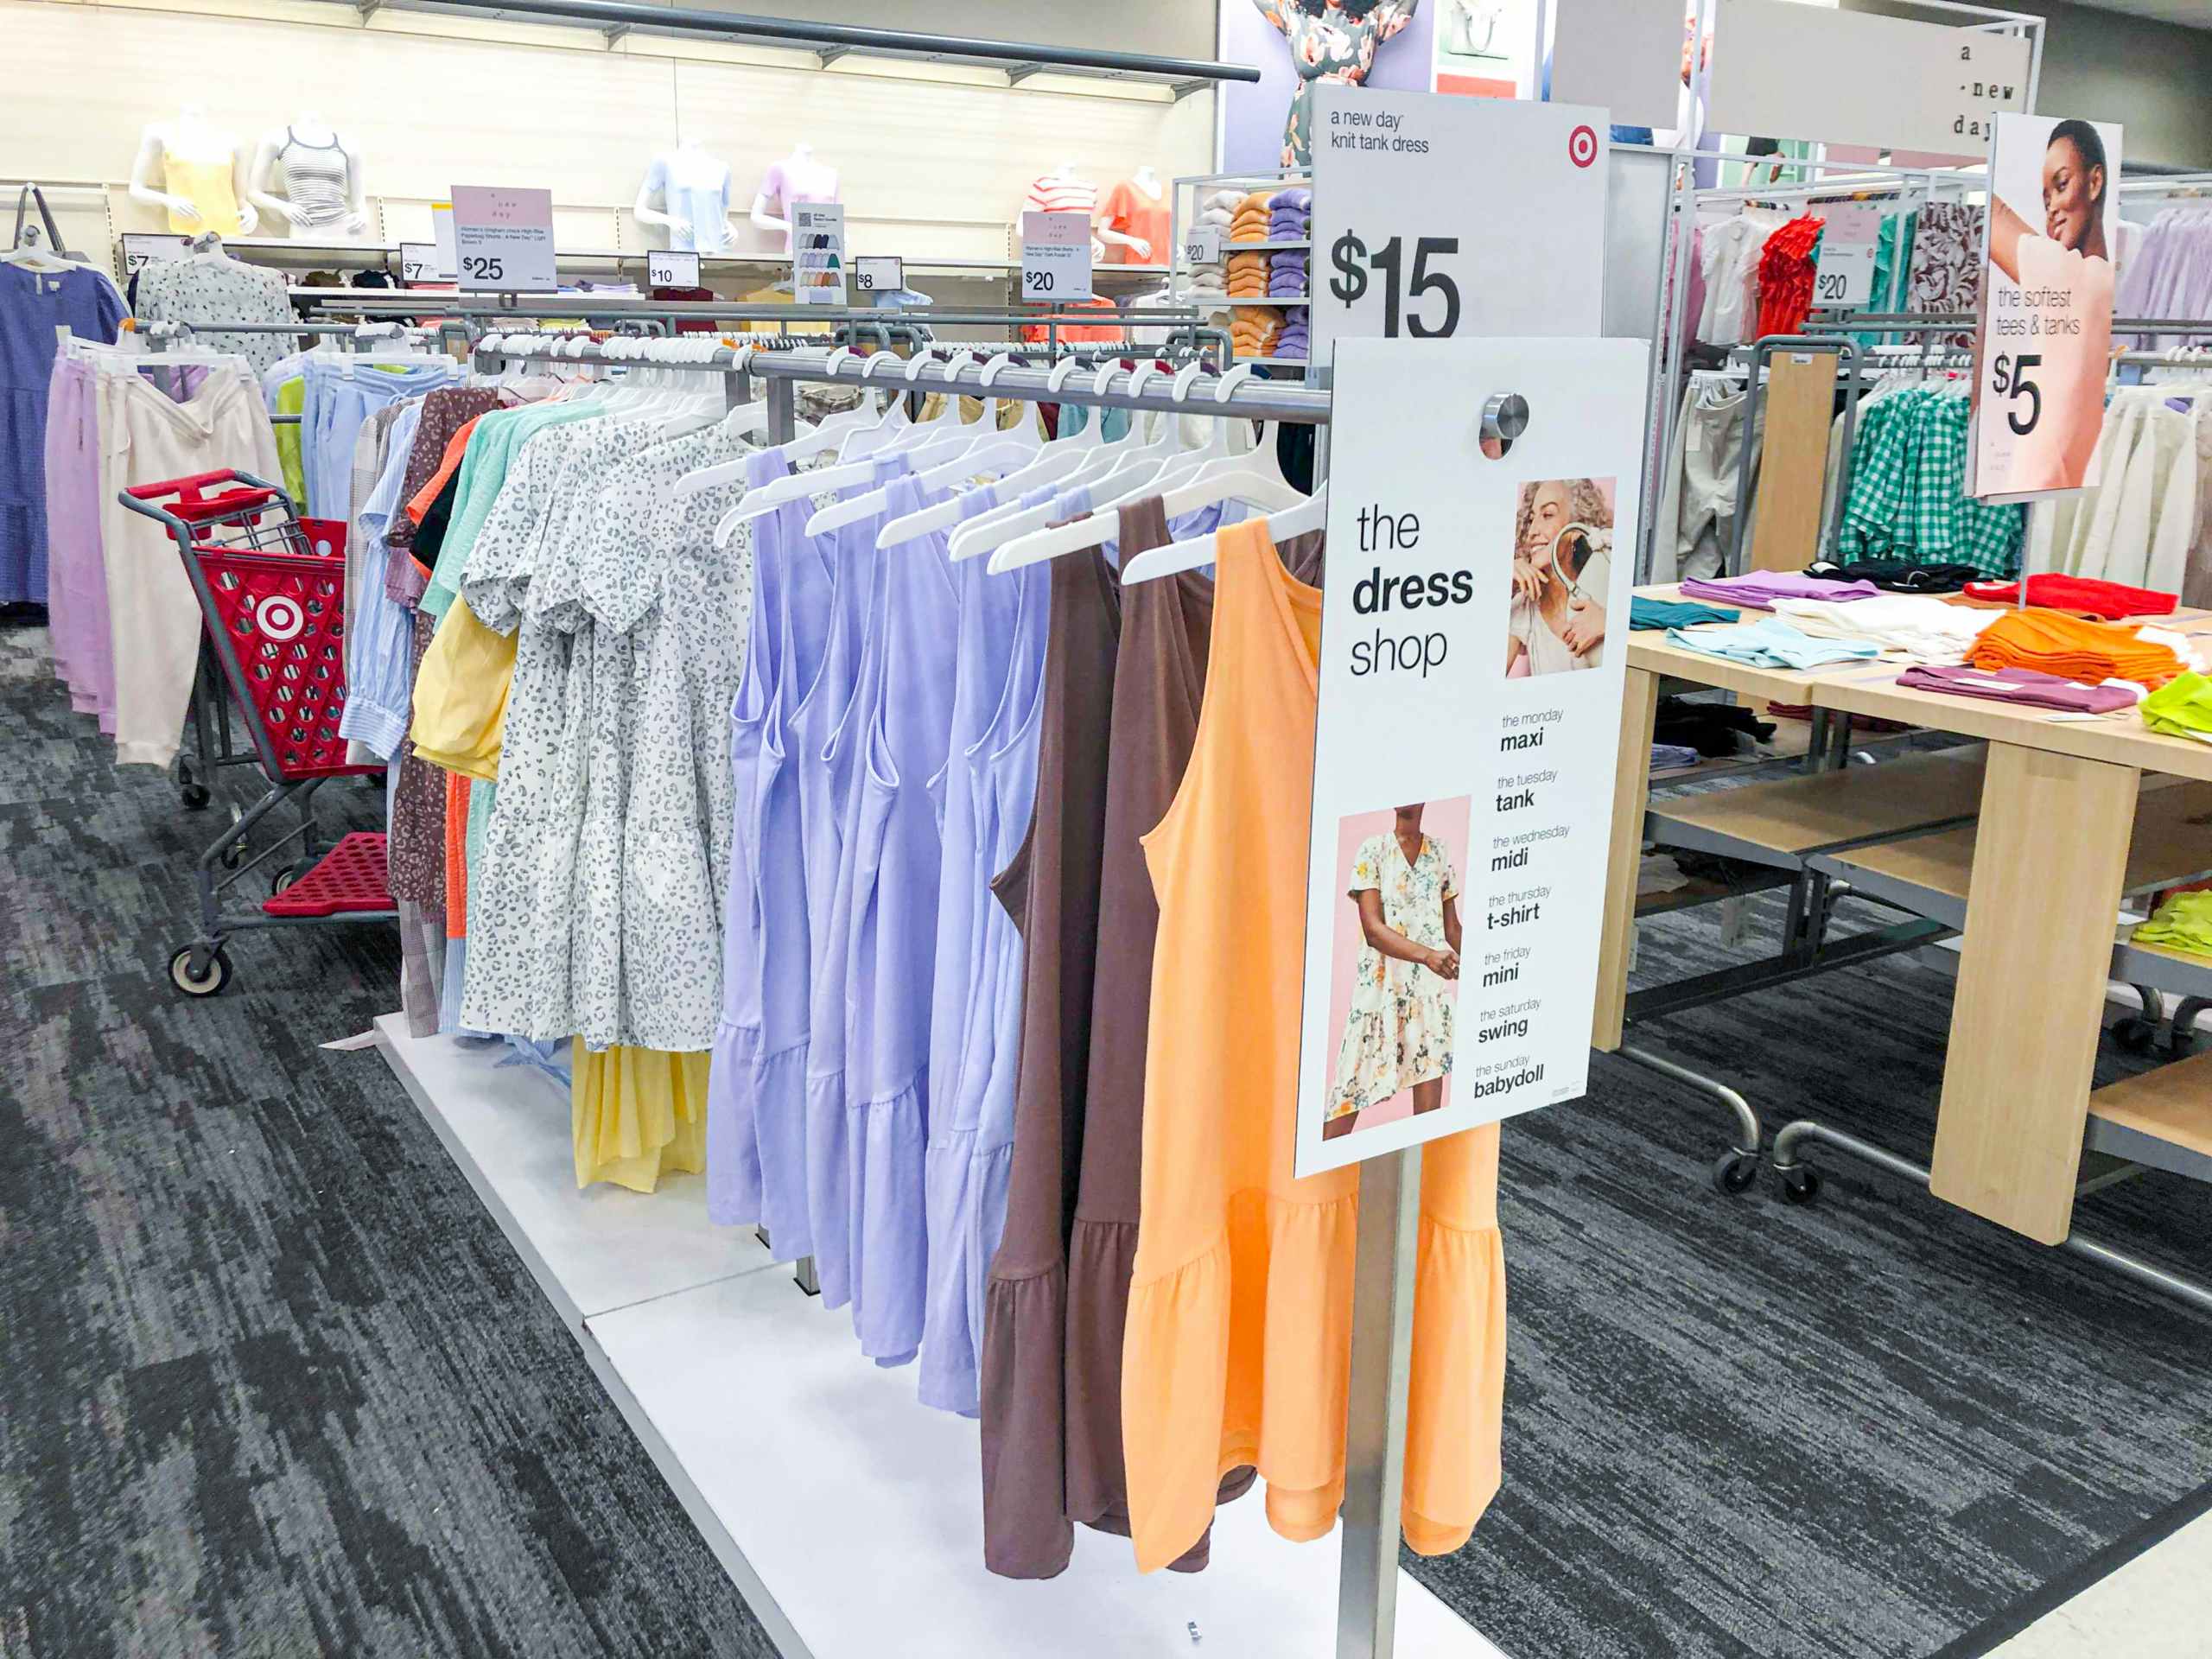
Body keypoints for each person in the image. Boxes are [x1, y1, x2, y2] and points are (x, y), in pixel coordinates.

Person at [1983, 119, 2114, 492]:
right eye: (2046, 199)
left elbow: (1994, 217)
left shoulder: (2071, 275)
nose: (2053, 208)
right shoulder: (2102, 280)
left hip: (2036, 493)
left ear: (2094, 181)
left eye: (2061, 185)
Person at [1325, 805, 1460, 1140]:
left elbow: (1452, 929)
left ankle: (1421, 1184)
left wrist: (1496, 968)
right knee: (1345, 1100)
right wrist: (1429, 956)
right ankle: (1314, 1185)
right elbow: (1373, 930)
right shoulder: (1373, 850)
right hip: (1380, 992)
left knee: (1426, 1125)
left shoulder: (1440, 852)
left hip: (1426, 995)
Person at [1505, 478, 1611, 675]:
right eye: (1530, 519)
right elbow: (1482, 677)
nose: (1533, 531)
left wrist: (1611, 623)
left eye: (1547, 515)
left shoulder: (1605, 583)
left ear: (1576, 529)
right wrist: (1504, 586)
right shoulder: (1526, 605)